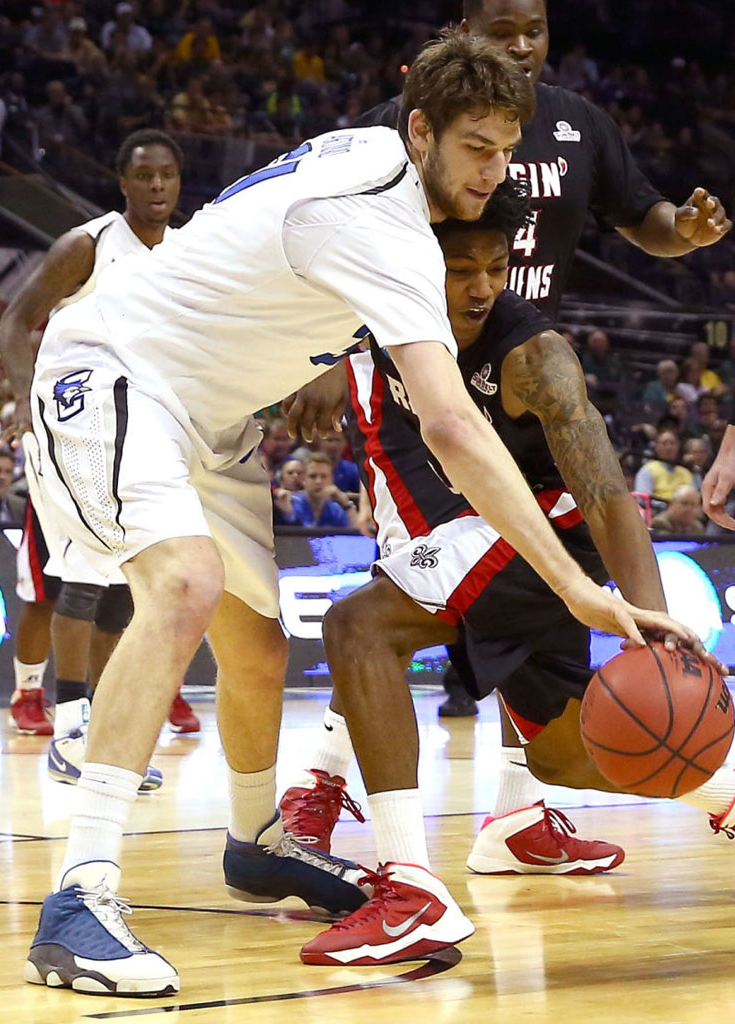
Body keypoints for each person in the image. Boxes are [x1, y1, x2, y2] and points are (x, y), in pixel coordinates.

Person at [16, 34, 693, 996]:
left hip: (208, 412)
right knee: (184, 581)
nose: (494, 173)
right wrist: (579, 588)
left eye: (506, 152)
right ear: (420, 131)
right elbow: (456, 429)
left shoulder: (363, 153)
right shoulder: (383, 226)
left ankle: (255, 838)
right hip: (114, 368)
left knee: (254, 649)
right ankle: (79, 900)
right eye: (475, 150)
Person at [299, 0, 731, 822]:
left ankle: (472, 812)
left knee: (404, 617)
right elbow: (325, 242)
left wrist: (684, 231)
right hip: (414, 368)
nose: (524, 46)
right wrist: (319, 348)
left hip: (518, 376)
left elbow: (647, 222)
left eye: (535, 29)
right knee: (425, 620)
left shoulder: (579, 126)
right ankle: (469, 809)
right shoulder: (387, 133)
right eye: (503, 32)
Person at [288, 193, 733, 966]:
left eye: (496, 267)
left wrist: (650, 623)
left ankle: (409, 891)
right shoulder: (386, 316)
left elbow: (607, 493)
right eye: (461, 268)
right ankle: (725, 790)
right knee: (561, 759)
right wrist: (331, 355)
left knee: (359, 626)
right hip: (477, 539)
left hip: (544, 534)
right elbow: (334, 302)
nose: (481, 286)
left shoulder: (534, 356)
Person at [0, 129, 196, 748]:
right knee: (83, 576)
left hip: (141, 423)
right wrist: (23, 403)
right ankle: (69, 725)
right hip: (73, 419)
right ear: (122, 182)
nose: (157, 185)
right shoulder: (87, 244)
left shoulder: (189, 250)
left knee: (124, 586)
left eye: (166, 174)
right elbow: (13, 321)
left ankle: (105, 725)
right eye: (144, 175)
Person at [275, 452, 356, 528]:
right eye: (313, 476)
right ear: (304, 479)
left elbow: (360, 534)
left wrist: (347, 505)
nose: (318, 481)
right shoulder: (291, 503)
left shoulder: (335, 509)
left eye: (324, 476)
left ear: (332, 480)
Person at [634, 430, 694, 502]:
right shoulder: (647, 470)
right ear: (657, 447)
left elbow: (695, 498)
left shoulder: (685, 472)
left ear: (678, 446)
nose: (668, 447)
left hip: (686, 510)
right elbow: (642, 499)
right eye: (664, 443)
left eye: (672, 443)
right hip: (658, 511)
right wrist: (668, 505)